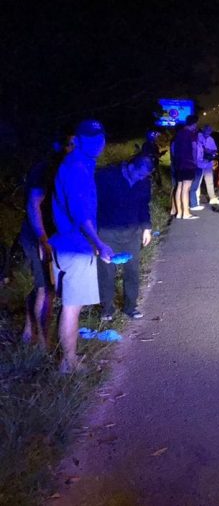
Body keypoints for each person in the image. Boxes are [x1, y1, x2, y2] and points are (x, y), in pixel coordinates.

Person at [50, 120, 114, 373]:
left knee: (70, 305)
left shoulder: (81, 164)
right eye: (91, 138)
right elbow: (80, 213)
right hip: (75, 245)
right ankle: (69, 363)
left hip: (70, 242)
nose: (98, 143)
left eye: (100, 137)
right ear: (78, 139)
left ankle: (69, 357)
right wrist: (99, 243)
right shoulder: (76, 167)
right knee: (72, 307)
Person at [19, 134, 74, 348]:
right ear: (60, 146)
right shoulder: (45, 169)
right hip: (39, 237)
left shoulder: (61, 168)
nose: (73, 148)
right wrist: (43, 240)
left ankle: (29, 329)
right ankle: (43, 343)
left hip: (50, 236)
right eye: (70, 144)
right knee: (46, 289)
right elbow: (33, 206)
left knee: (43, 287)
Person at [95, 154, 154, 320]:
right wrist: (94, 234)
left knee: (132, 271)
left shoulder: (143, 182)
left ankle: (131, 306)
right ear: (130, 166)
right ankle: (107, 308)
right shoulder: (107, 177)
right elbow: (94, 204)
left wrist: (146, 228)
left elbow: (144, 206)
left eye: (145, 176)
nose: (141, 178)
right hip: (107, 232)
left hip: (132, 232)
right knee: (106, 272)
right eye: (140, 174)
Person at [171, 115, 200, 220]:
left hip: (179, 164)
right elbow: (193, 149)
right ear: (193, 124)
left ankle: (179, 213)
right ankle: (186, 213)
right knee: (186, 189)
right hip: (188, 163)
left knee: (179, 187)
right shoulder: (190, 135)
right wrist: (195, 162)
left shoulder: (179, 134)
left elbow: (174, 150)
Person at [194, 124, 219, 206]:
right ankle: (196, 199)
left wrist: (210, 152)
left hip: (208, 163)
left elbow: (215, 150)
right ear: (203, 130)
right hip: (199, 163)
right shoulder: (198, 137)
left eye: (210, 131)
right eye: (208, 130)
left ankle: (212, 198)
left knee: (210, 181)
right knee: (198, 182)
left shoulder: (211, 139)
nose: (209, 132)